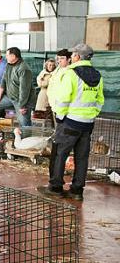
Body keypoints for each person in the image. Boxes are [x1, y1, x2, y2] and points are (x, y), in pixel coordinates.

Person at [37, 44, 104, 202]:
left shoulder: (71, 74)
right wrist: (92, 114)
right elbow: (100, 100)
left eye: (73, 55)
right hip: (88, 124)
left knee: (59, 153)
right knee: (81, 157)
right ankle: (77, 190)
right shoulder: (98, 75)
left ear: (78, 57)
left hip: (70, 122)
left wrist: (60, 116)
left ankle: (55, 187)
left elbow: (63, 98)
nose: (72, 57)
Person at [0, 47, 36, 130]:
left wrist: (22, 106)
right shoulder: (9, 65)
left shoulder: (24, 69)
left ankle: (26, 140)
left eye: (7, 55)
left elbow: (24, 90)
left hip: (23, 100)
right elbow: (3, 80)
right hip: (9, 97)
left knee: (24, 122)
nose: (6, 57)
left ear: (13, 56)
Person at [47, 49, 72, 113]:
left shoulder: (70, 72)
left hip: (64, 110)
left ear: (69, 59)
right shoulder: (57, 70)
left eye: (62, 58)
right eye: (58, 58)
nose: (59, 61)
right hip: (54, 106)